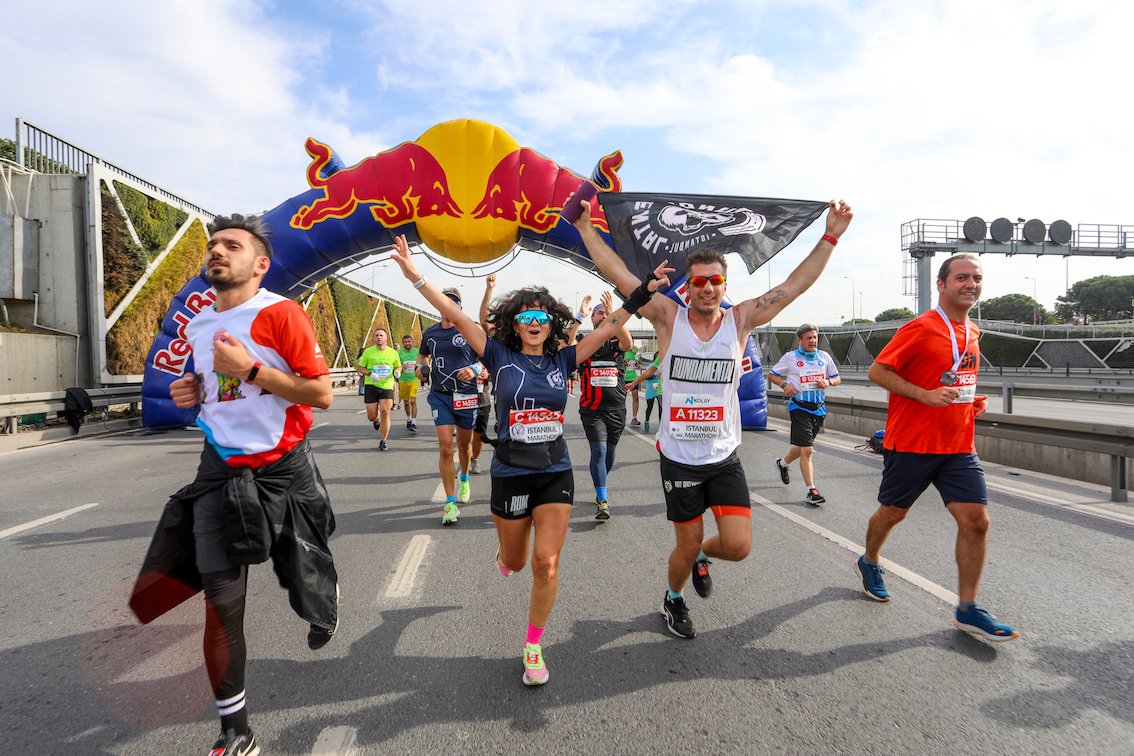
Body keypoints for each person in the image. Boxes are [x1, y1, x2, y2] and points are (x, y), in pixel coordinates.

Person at [391, 233, 670, 685]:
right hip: (510, 473)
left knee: (547, 563)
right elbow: (456, 315)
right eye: (526, 317)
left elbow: (611, 321)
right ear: (516, 325)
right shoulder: (496, 355)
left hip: (555, 471)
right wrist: (413, 275)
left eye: (542, 316)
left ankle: (534, 645)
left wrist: (644, 290)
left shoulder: (565, 359)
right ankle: (505, 552)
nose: (535, 322)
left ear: (551, 323)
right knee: (517, 562)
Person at [575, 197, 853, 639]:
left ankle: (700, 556)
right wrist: (588, 232)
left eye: (715, 281)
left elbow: (794, 285)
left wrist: (831, 236)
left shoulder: (740, 320)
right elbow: (620, 276)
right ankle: (674, 597)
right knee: (682, 547)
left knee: (738, 547)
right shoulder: (667, 316)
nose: (707, 288)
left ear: (724, 286)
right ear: (689, 287)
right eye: (700, 281)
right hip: (681, 459)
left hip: (723, 456)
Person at [130, 214, 338, 756]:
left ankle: (321, 602)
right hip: (219, 470)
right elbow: (211, 393)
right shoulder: (198, 326)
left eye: (232, 244)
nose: (217, 251)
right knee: (222, 603)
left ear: (260, 263)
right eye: (213, 244)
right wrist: (192, 392)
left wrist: (249, 371)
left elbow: (319, 395)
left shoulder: (280, 313)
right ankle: (235, 729)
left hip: (285, 468)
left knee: (304, 579)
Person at [854, 254, 1019, 642]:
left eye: (977, 278)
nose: (971, 284)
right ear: (941, 285)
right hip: (912, 443)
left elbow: (958, 378)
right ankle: (870, 559)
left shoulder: (973, 332)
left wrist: (971, 400)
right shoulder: (921, 327)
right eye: (962, 277)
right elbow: (877, 371)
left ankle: (967, 607)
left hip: (958, 445)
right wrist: (923, 395)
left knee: (976, 521)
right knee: (892, 514)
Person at [417, 286, 480, 523]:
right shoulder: (431, 333)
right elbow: (422, 357)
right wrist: (419, 367)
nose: (448, 305)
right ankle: (450, 503)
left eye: (453, 302)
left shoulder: (470, 329)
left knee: (463, 446)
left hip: (466, 396)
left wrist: (473, 369)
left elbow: (484, 361)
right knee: (445, 447)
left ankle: (464, 477)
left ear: (460, 308)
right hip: (440, 395)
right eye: (445, 301)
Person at [769, 323, 841, 505]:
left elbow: (837, 378)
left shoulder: (824, 357)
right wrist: (785, 386)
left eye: (815, 337)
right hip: (799, 407)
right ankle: (811, 490)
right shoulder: (790, 357)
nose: (813, 341)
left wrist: (828, 382)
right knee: (807, 450)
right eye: (809, 338)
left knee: (802, 447)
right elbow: (772, 375)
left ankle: (783, 464)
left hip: (819, 408)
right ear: (800, 340)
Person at [577, 297, 633, 519]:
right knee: (598, 451)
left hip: (617, 410)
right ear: (592, 319)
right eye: (598, 313)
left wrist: (613, 314)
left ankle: (600, 483)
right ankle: (602, 499)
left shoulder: (615, 344)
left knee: (609, 455)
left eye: (605, 313)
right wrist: (579, 315)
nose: (602, 315)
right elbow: (568, 342)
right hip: (592, 410)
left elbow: (628, 343)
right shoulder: (584, 342)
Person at [358, 327, 401, 450]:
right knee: (371, 416)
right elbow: (360, 368)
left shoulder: (393, 352)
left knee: (385, 412)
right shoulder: (368, 352)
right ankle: (376, 420)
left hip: (387, 386)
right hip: (371, 385)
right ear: (374, 338)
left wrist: (397, 372)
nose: (379, 337)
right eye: (376, 335)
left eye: (381, 335)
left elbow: (398, 366)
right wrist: (370, 374)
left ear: (386, 338)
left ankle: (383, 441)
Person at [627, 351, 662, 433]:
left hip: (660, 389)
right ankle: (646, 421)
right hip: (651, 390)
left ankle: (661, 424)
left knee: (661, 408)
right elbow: (646, 377)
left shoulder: (664, 365)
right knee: (649, 407)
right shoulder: (651, 366)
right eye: (657, 356)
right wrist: (654, 376)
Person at [396, 334, 421, 433]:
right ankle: (409, 418)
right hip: (403, 380)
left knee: (413, 401)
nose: (407, 344)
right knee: (406, 402)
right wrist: (401, 366)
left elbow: (423, 360)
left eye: (409, 341)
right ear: (403, 343)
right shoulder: (399, 352)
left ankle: (414, 422)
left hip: (414, 379)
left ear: (412, 342)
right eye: (405, 342)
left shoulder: (417, 351)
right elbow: (395, 365)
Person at [623, 344, 641, 425]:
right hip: (624, 379)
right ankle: (621, 418)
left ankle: (634, 418)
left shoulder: (634, 351)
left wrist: (637, 365)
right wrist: (624, 363)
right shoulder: (622, 351)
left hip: (633, 378)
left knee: (636, 398)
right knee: (622, 399)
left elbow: (634, 361)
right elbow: (618, 364)